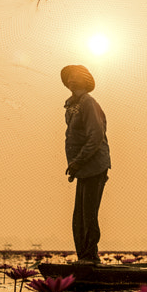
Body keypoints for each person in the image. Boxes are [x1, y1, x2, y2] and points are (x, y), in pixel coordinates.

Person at [61, 64, 110, 264]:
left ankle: (90, 257)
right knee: (78, 218)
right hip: (82, 169)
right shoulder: (72, 105)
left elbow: (95, 135)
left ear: (85, 80)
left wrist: (78, 161)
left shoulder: (89, 103)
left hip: (94, 166)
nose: (71, 80)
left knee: (89, 214)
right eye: (69, 77)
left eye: (75, 76)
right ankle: (84, 257)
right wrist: (75, 165)